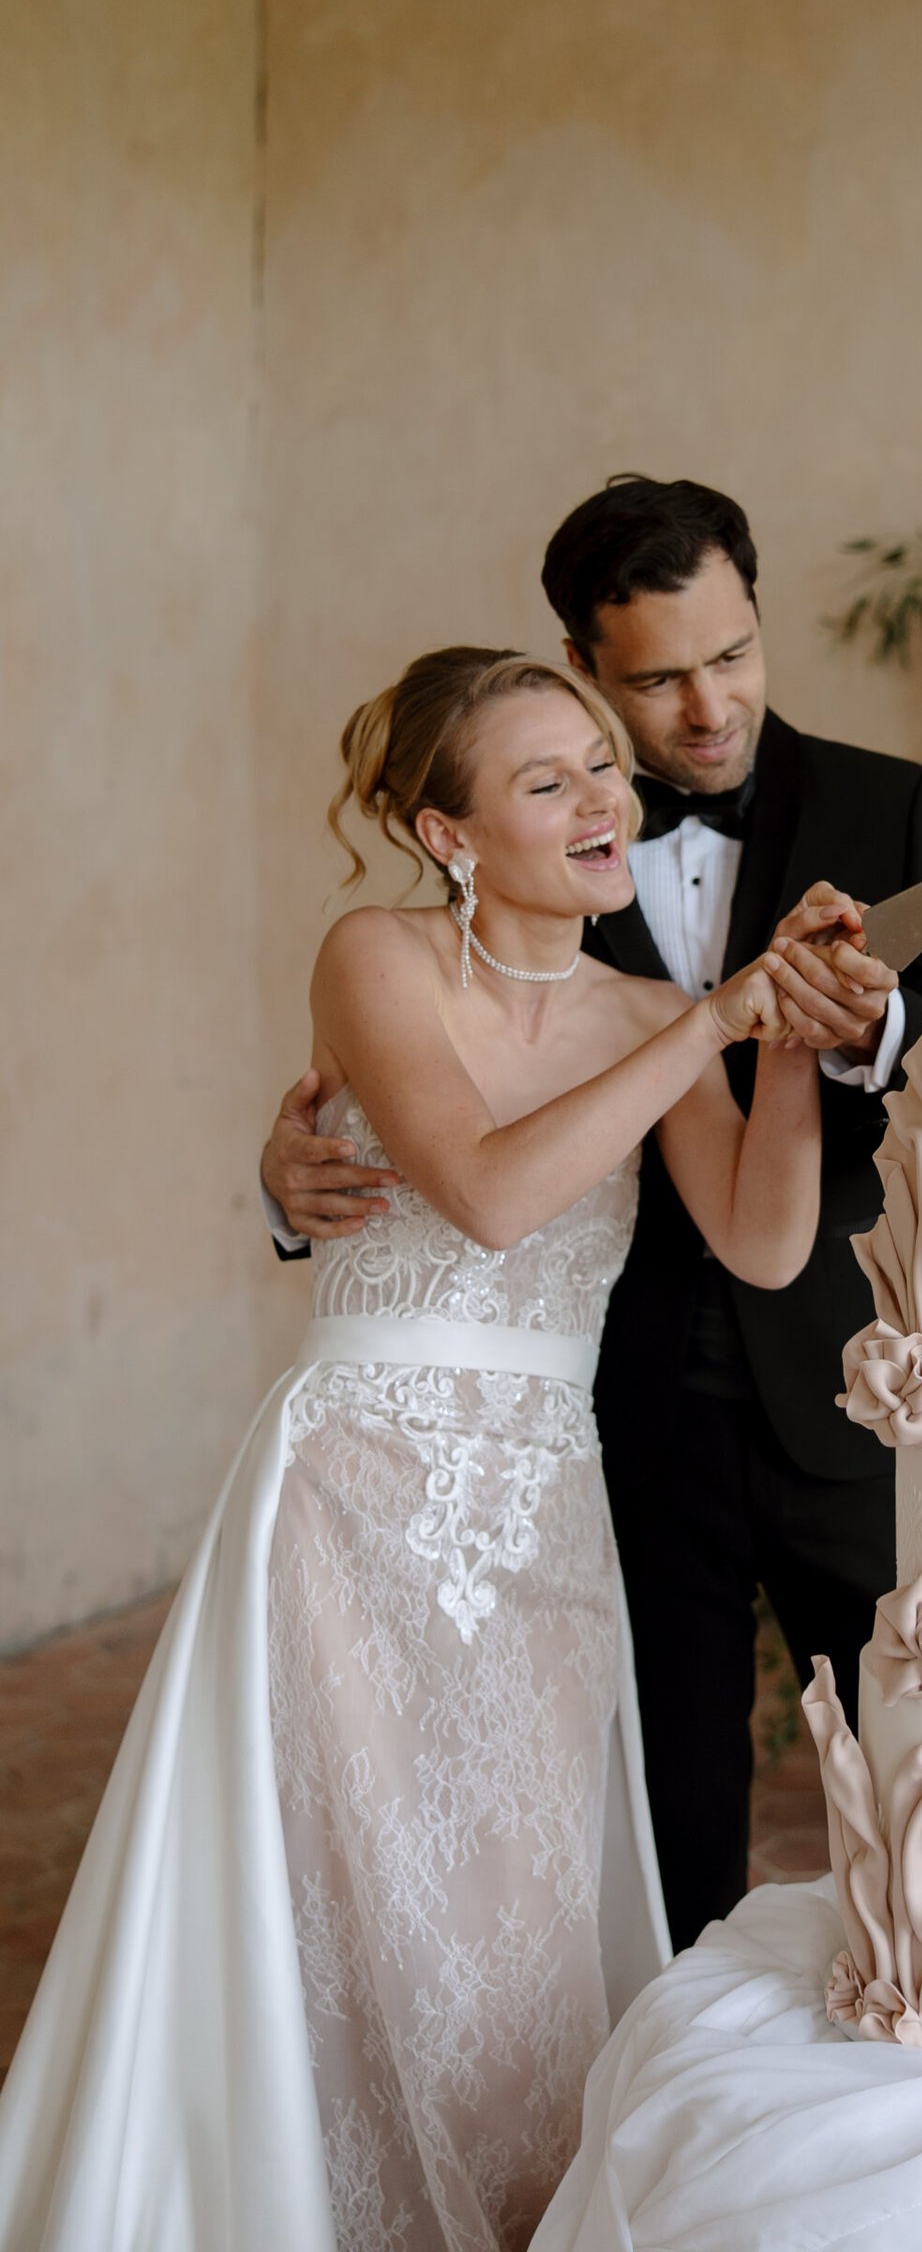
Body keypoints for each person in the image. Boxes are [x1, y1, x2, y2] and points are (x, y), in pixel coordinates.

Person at [0, 649, 851, 2252]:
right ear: (451, 834)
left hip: (542, 1508)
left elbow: (759, 1241)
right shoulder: (373, 957)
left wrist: (780, 1039)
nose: (605, 798)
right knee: (345, 1895)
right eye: (552, 781)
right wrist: (713, 1022)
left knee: (516, 1917)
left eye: (603, 767)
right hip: (351, 1497)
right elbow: (487, 1190)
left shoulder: (657, 1010)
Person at [264, 479, 922, 1949]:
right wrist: (288, 1186)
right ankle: (659, 2126)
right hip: (607, 1424)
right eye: (654, 681)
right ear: (585, 665)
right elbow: (436, 1143)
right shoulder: (418, 934)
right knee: (638, 1837)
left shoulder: (887, 806)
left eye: (732, 655)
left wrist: (830, 1033)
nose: (706, 708)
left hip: (836, 1380)